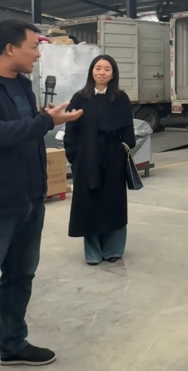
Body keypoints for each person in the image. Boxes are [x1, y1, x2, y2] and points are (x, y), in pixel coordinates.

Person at [0, 19, 83, 370]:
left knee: (20, 277)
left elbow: (22, 130)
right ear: (10, 49)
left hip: (29, 199)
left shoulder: (22, 84)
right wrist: (45, 123)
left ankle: (12, 345)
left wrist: (44, 118)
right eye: (33, 47)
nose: (38, 54)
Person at [64, 55, 136, 265]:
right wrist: (75, 156)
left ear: (113, 73)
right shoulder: (80, 98)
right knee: (90, 204)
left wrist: (121, 153)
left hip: (113, 158)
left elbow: (128, 131)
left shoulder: (121, 99)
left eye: (107, 69)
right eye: (98, 68)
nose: (102, 72)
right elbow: (71, 131)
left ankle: (114, 249)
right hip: (87, 158)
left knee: (113, 203)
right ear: (91, 72)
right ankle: (93, 251)